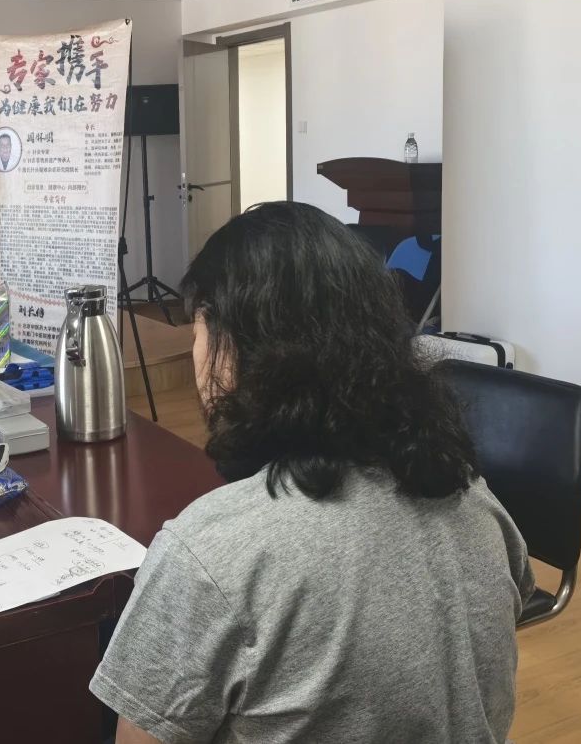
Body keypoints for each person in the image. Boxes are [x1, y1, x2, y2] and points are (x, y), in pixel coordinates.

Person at [91, 202, 535, 744]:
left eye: (199, 330)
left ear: (237, 350)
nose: (195, 353)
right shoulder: (476, 501)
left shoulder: (210, 550)